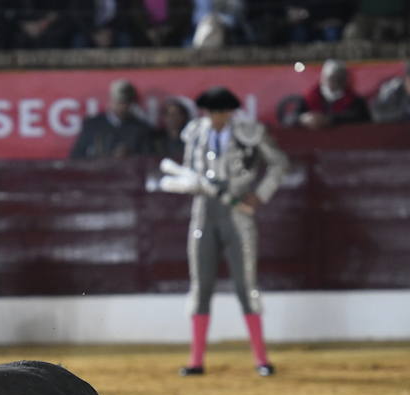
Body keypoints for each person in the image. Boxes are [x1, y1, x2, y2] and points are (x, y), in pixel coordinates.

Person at [157, 86, 288, 378]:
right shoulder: (196, 133)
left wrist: (261, 194)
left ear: (230, 112)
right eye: (210, 112)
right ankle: (196, 360)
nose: (214, 117)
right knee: (201, 286)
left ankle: (261, 359)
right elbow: (192, 172)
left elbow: (279, 162)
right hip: (204, 214)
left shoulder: (249, 132)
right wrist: (195, 185)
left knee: (246, 286)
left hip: (237, 215)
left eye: (220, 112)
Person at [69, 79, 157, 160]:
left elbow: (148, 161)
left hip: (129, 175)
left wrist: (130, 156)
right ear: (110, 100)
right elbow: (76, 158)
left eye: (126, 102)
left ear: (132, 104)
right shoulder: (92, 125)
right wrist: (107, 157)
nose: (122, 106)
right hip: (97, 175)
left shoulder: (141, 129)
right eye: (119, 101)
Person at [297, 59, 370, 129]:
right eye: (332, 77)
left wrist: (329, 120)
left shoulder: (356, 101)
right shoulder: (309, 98)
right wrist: (304, 119)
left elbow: (363, 119)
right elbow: (291, 119)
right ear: (323, 78)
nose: (336, 81)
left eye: (339, 77)